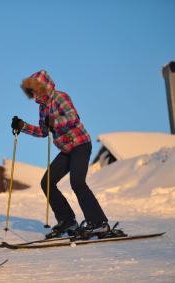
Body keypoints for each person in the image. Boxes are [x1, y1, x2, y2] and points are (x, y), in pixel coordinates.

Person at [11, 70, 109, 239]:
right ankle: (67, 220)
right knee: (47, 182)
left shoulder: (60, 97)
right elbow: (43, 132)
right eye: (30, 91)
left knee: (77, 182)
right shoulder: (42, 108)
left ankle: (99, 223)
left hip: (80, 144)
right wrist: (23, 126)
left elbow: (73, 117)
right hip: (66, 150)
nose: (33, 94)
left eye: (34, 90)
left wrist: (54, 121)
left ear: (42, 87)